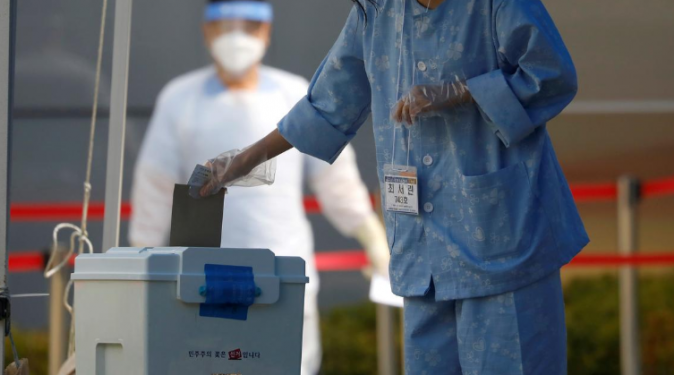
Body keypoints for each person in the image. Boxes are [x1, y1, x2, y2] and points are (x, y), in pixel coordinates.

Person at [197, 0, 589, 374]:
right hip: (422, 249)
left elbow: (550, 75)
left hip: (504, 238)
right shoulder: (377, 11)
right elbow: (328, 100)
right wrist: (246, 159)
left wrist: (462, 91)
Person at [128, 1, 391, 374]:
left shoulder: (294, 94)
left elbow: (338, 184)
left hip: (283, 278)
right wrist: (139, 266)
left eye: (249, 25)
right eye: (225, 25)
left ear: (267, 32)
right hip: (201, 283)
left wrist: (373, 239)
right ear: (206, 31)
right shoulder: (179, 99)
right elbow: (153, 193)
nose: (237, 36)